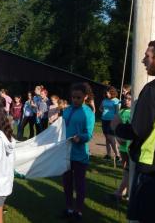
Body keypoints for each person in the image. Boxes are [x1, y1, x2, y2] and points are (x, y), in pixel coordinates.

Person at [127, 39, 155, 222]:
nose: (143, 61)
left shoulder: (153, 90)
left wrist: (117, 126)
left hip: (152, 168)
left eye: (147, 56)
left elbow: (138, 129)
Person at [61, 83, 95, 220]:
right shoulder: (67, 110)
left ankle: (78, 211)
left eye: (78, 98)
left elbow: (89, 134)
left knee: (79, 184)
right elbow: (62, 128)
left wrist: (80, 138)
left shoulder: (88, 113)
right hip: (66, 153)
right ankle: (69, 209)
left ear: (85, 97)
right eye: (73, 97)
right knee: (67, 183)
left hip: (80, 154)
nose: (75, 100)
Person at [109, 92, 132, 201]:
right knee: (126, 169)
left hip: (132, 146)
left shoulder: (136, 111)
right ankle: (125, 191)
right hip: (123, 146)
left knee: (130, 169)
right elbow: (113, 124)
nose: (126, 100)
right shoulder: (122, 111)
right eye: (125, 98)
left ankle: (120, 192)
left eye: (129, 99)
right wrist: (118, 137)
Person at [99, 86, 120, 161]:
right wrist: (103, 111)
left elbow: (117, 112)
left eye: (108, 92)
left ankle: (117, 155)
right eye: (106, 92)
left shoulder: (116, 101)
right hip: (104, 120)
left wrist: (115, 119)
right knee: (107, 138)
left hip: (112, 121)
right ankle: (108, 155)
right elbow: (100, 108)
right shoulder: (104, 100)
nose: (106, 94)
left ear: (112, 92)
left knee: (111, 138)